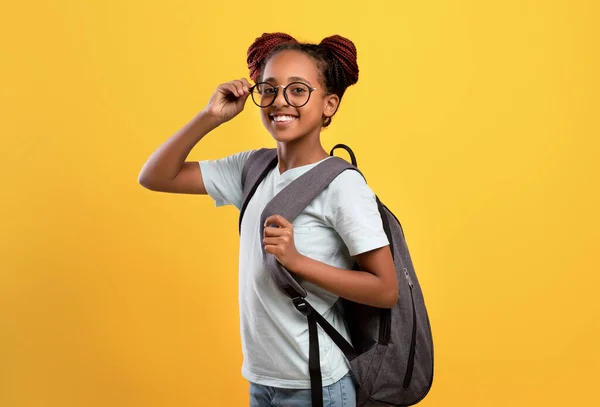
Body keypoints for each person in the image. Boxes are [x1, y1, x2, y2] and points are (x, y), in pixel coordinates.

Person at [138, 32, 398, 407]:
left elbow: (385, 288)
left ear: (329, 104)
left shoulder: (342, 186)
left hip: (317, 386)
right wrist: (209, 117)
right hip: (262, 382)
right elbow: (155, 176)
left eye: (298, 90)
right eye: (270, 89)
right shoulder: (251, 168)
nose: (280, 101)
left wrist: (298, 263)